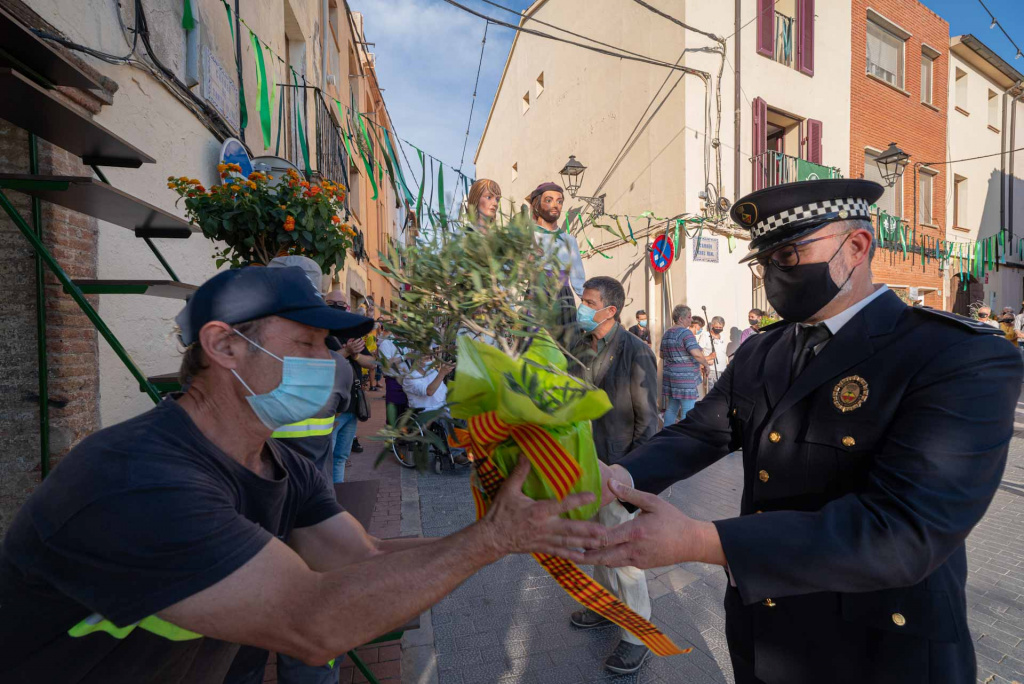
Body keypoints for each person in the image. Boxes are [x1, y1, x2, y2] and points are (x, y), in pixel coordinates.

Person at [0, 266, 608, 684]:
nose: (332, 361)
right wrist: (488, 540)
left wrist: (513, 537)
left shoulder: (281, 464)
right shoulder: (139, 481)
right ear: (225, 346)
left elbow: (359, 557)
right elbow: (311, 623)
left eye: (331, 345)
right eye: (310, 342)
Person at [589, 179, 1023, 684]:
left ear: (857, 247)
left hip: (878, 648)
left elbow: (906, 530)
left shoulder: (956, 355)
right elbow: (702, 433)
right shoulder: (762, 350)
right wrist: (616, 475)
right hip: (767, 629)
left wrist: (702, 541)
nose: (774, 274)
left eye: (790, 255)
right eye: (765, 262)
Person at [567, 276, 659, 675]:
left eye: (589, 302)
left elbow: (649, 420)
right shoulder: (576, 347)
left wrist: (631, 481)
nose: (582, 308)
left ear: (611, 310)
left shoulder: (636, 352)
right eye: (581, 300)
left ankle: (638, 636)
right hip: (583, 466)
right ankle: (606, 607)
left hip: (618, 469)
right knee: (597, 544)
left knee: (626, 555)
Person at [530, 182, 585, 344]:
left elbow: (578, 278)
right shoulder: (528, 237)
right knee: (537, 347)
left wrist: (591, 306)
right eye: (549, 200)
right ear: (537, 205)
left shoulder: (569, 240)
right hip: (537, 297)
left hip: (564, 299)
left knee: (566, 348)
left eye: (559, 201)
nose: (555, 205)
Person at [402, 354, 469, 466]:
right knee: (446, 418)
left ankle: (466, 449)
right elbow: (429, 391)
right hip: (425, 412)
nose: (430, 360)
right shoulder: (410, 378)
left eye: (430, 358)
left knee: (464, 415)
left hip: (442, 407)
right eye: (426, 358)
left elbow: (443, 392)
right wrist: (442, 373)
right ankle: (456, 454)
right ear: (416, 360)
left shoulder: (432, 373)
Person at [660, 304, 710, 426]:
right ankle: (683, 439)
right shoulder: (686, 333)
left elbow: (662, 355)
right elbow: (697, 354)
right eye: (688, 317)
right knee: (688, 410)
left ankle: (667, 435)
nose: (691, 319)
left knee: (672, 408)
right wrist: (706, 365)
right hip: (685, 378)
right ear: (681, 319)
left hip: (671, 377)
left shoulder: (667, 333)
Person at [376, 320, 410, 427]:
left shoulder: (408, 344)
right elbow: (386, 363)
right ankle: (392, 437)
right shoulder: (386, 344)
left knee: (407, 411)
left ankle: (404, 438)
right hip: (394, 381)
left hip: (408, 381)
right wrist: (404, 357)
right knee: (394, 411)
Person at [699, 315, 729, 392]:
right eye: (717, 327)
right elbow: (698, 352)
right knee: (711, 393)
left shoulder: (722, 336)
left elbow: (723, 352)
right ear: (712, 326)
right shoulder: (705, 336)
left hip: (723, 369)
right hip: (711, 369)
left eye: (720, 327)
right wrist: (705, 361)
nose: (718, 329)